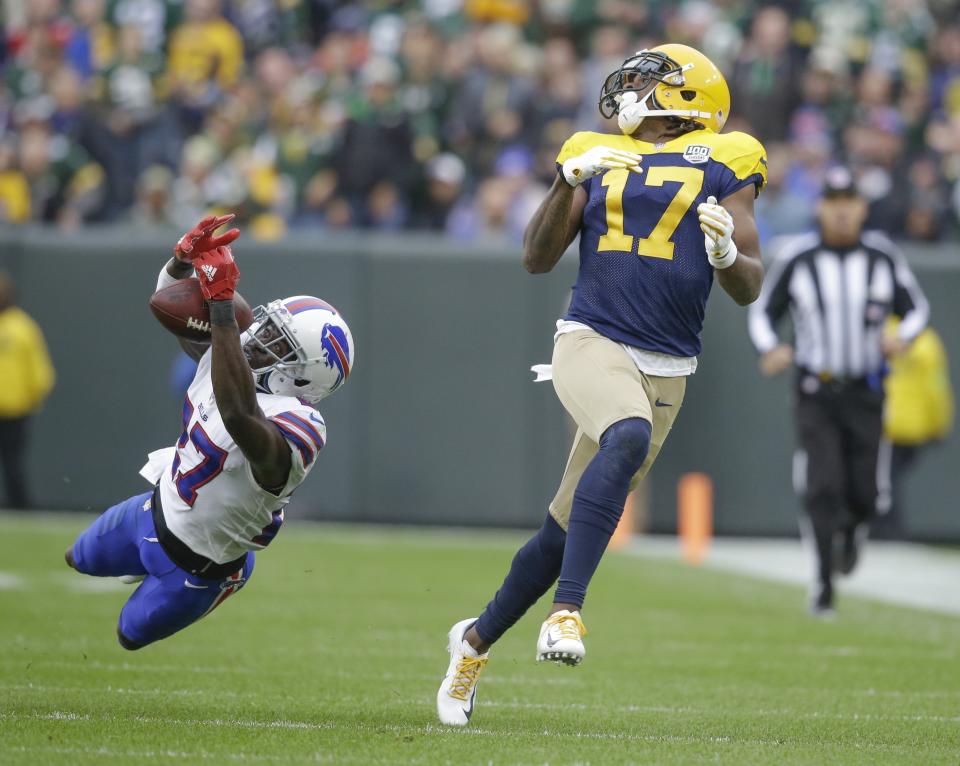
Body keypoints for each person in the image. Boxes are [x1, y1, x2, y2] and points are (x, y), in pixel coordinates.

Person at [437, 44, 767, 726]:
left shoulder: (729, 157)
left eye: (650, 81)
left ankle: (471, 645)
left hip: (670, 363)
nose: (631, 88)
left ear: (687, 100)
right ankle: (567, 613)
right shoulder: (591, 147)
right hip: (590, 337)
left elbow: (749, 284)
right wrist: (566, 181)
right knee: (627, 434)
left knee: (562, 529)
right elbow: (535, 258)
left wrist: (727, 253)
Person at [65, 215, 354, 649]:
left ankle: (232, 580)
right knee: (77, 558)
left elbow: (239, 415)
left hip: (199, 567)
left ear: (302, 377)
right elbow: (170, 308)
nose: (258, 335)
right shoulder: (229, 359)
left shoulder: (302, 426)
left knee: (128, 634)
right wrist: (181, 262)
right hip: (154, 508)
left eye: (279, 344)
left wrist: (221, 308)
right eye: (269, 325)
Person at [748, 167, 929, 617]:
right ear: (820, 207)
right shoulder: (799, 257)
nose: (842, 210)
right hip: (817, 388)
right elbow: (762, 312)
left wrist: (901, 335)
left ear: (862, 208)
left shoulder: (882, 256)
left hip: (867, 388)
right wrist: (772, 348)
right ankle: (824, 581)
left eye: (849, 201)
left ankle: (850, 534)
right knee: (823, 483)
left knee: (868, 496)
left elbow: (916, 308)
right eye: (833, 201)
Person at [875, 320, 954, 538]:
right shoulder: (927, 340)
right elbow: (937, 389)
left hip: (884, 425)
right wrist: (939, 425)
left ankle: (888, 533)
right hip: (913, 429)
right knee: (887, 480)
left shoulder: (878, 334)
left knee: (884, 482)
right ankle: (887, 531)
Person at [0, 272, 56, 509]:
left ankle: (19, 508)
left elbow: (41, 372)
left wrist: (31, 398)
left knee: (13, 462)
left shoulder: (23, 327)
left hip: (15, 409)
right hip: (14, 407)